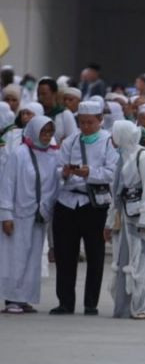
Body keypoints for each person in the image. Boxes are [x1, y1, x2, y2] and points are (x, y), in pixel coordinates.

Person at [51, 101, 119, 315]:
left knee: (95, 254)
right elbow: (57, 168)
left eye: (91, 122)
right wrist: (66, 173)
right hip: (67, 202)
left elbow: (112, 171)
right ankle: (65, 301)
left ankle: (91, 302)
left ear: (100, 120)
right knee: (65, 254)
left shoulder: (108, 142)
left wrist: (90, 172)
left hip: (94, 204)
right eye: (82, 122)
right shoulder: (70, 142)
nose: (86, 127)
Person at [105, 120, 145, 319]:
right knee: (126, 257)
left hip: (142, 217)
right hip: (126, 215)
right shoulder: (122, 156)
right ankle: (126, 304)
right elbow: (116, 191)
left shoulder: (143, 156)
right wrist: (111, 220)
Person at [0, 117, 59, 314]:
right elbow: (7, 184)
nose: (47, 136)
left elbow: (53, 184)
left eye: (50, 132)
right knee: (15, 256)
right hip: (18, 214)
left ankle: (24, 297)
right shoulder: (19, 153)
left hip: (39, 215)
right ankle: (11, 299)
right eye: (43, 132)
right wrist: (6, 215)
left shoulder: (52, 154)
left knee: (33, 257)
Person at [37, 78, 77, 144]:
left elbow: (73, 138)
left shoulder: (64, 114)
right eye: (38, 94)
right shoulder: (37, 113)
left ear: (54, 94)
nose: (40, 97)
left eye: (44, 94)